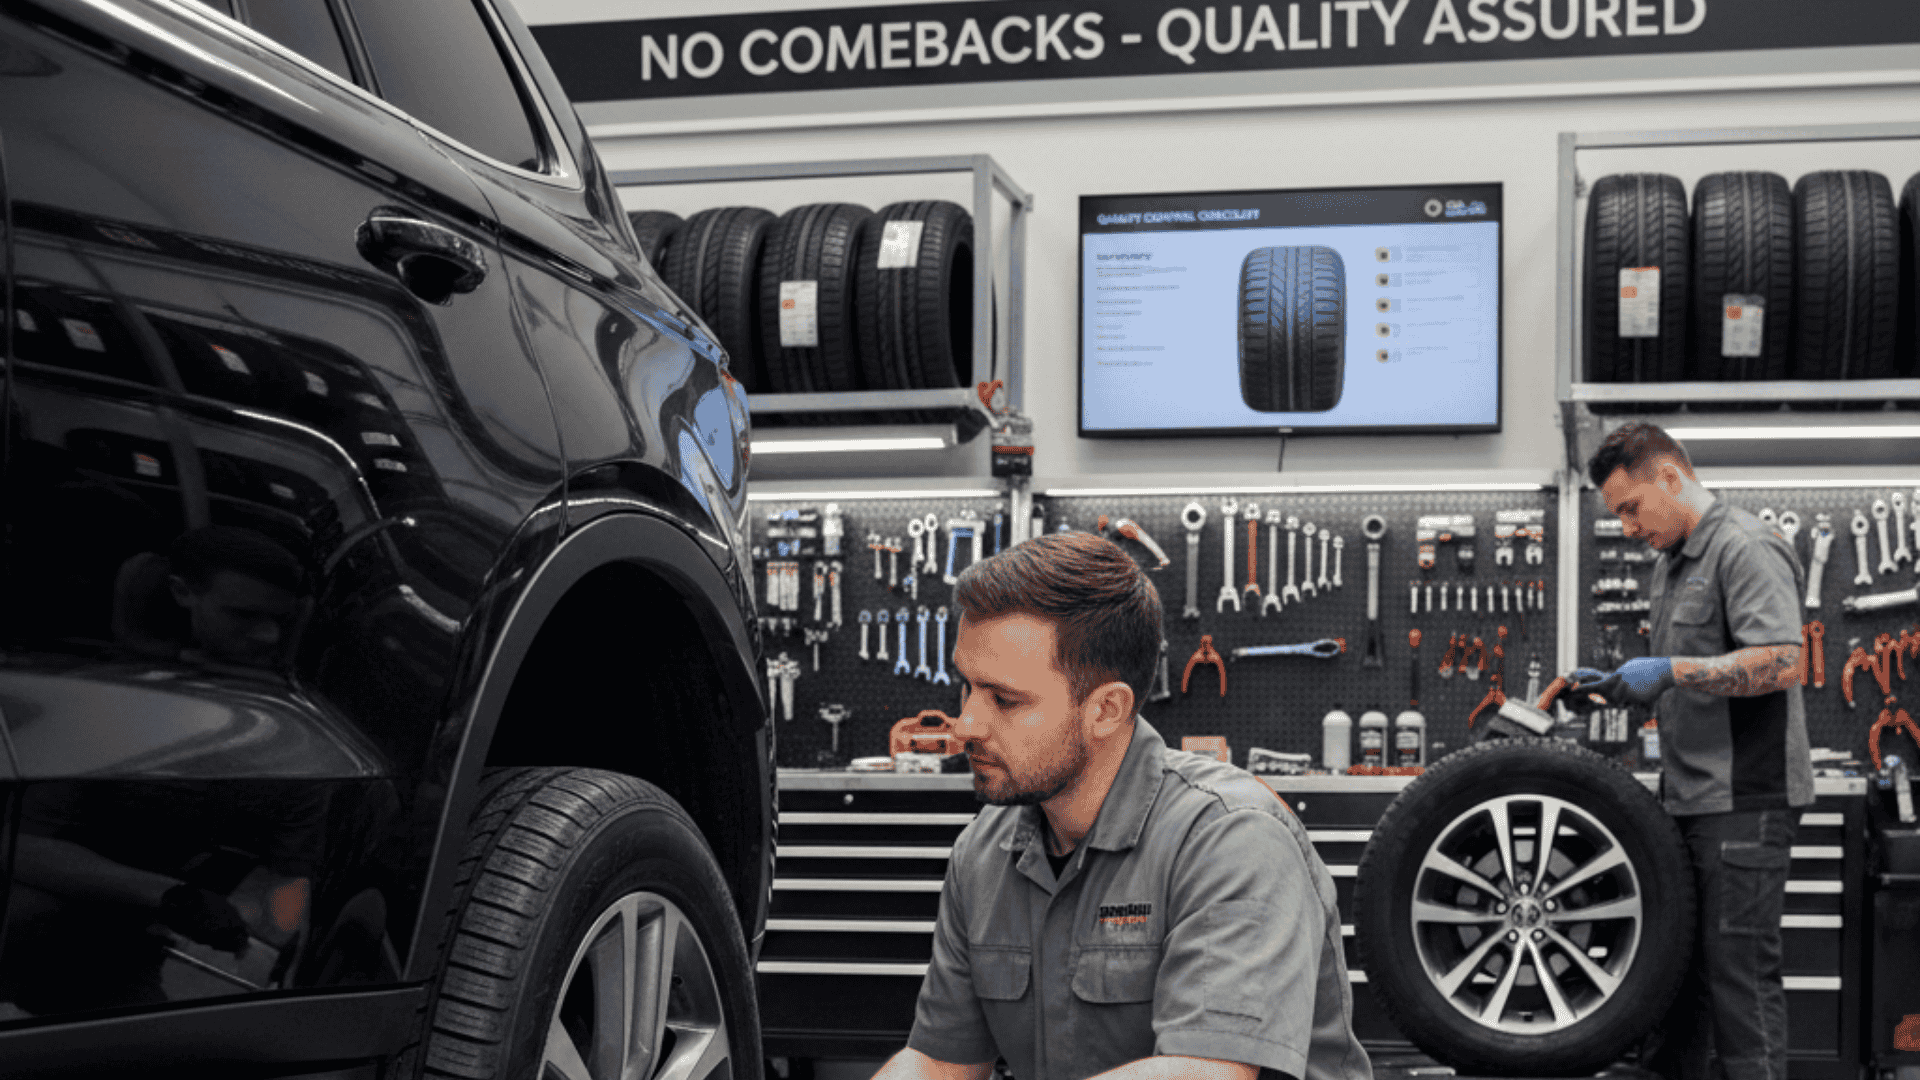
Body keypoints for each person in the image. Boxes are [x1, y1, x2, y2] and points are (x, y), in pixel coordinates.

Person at [875, 531, 1370, 1080]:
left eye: (1005, 699)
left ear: (1107, 710)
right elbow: (940, 1061)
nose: (967, 723)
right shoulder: (984, 851)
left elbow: (1205, 1073)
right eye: (967, 687)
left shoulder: (1231, 838)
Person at [1574, 422, 1812, 1080]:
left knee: (1738, 977)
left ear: (1670, 480)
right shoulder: (1670, 562)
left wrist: (1671, 672)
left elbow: (1783, 663)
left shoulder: (1744, 546)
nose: (1626, 526)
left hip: (1745, 800)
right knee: (1680, 976)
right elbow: (1692, 669)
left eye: (1630, 507)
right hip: (1689, 798)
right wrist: (1625, 685)